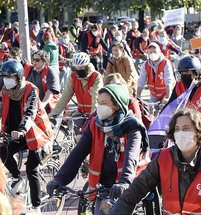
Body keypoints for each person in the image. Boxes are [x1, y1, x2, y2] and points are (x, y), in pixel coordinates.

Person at [47, 84, 149, 214]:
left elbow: (131, 158)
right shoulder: (94, 124)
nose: (99, 106)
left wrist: (125, 182)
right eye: (99, 102)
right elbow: (77, 154)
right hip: (102, 187)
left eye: (104, 103)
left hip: (126, 184)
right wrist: (60, 179)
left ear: (116, 105)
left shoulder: (132, 127)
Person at [110, 108, 201, 214]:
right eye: (177, 129)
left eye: (186, 128)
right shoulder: (164, 158)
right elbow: (137, 188)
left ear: (198, 132)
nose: (180, 133)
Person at [0, 60, 54, 213]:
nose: (6, 80)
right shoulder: (5, 91)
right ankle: (17, 177)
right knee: (3, 152)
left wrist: (22, 129)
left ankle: (37, 207)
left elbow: (30, 111)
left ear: (18, 77)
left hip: (36, 135)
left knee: (32, 169)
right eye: (4, 77)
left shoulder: (31, 89)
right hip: (17, 135)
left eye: (9, 77)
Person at [49, 52, 103, 132]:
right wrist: (55, 112)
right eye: (76, 69)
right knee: (75, 128)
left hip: (94, 112)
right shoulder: (73, 76)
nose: (78, 71)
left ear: (87, 66)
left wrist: (92, 117)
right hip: (81, 112)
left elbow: (96, 98)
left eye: (81, 68)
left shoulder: (96, 76)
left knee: (91, 132)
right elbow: (65, 95)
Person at [167, 55, 201, 127]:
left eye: (187, 72)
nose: (184, 75)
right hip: (184, 127)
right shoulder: (179, 86)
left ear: (196, 72)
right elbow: (170, 105)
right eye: (182, 73)